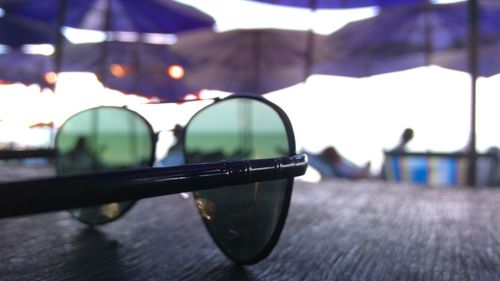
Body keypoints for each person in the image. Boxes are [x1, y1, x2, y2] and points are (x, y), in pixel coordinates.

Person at [305, 146, 371, 180]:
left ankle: (362, 172)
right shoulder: (337, 165)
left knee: (347, 167)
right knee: (347, 168)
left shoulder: (337, 164)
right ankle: (362, 173)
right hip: (349, 174)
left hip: (349, 173)